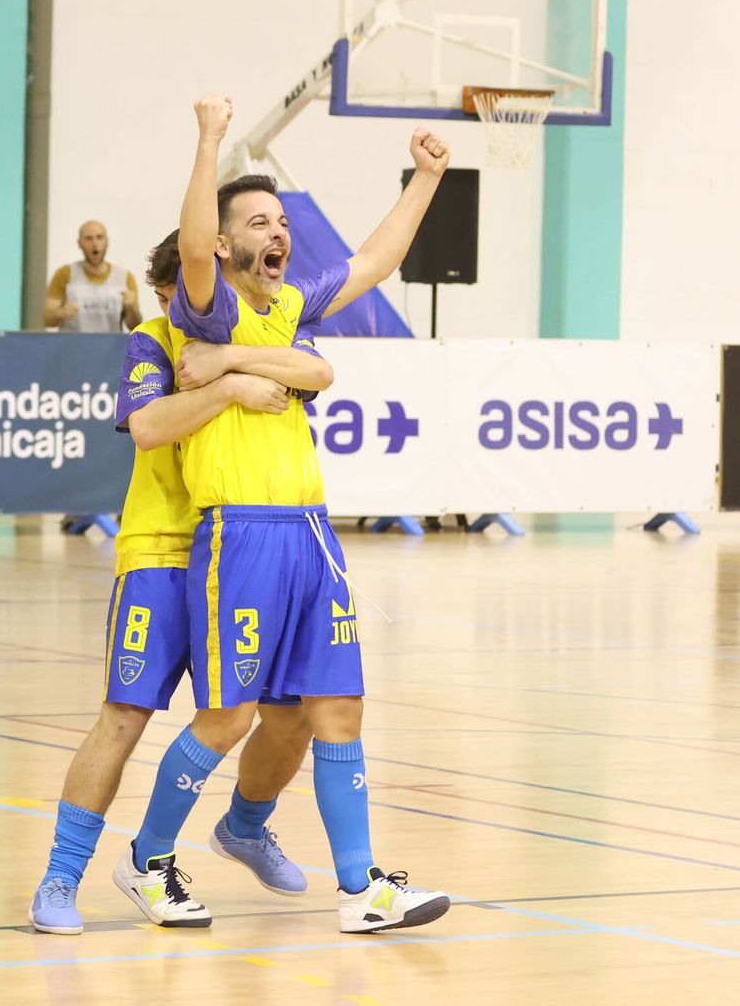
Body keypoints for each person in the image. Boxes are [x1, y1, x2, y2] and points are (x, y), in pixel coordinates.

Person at [114, 95, 453, 934]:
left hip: (311, 534)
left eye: (281, 220)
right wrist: (207, 139)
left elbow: (373, 260)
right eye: (258, 220)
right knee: (227, 713)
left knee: (335, 708)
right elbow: (194, 244)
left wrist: (427, 178)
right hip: (240, 535)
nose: (278, 231)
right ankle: (149, 859)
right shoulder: (205, 305)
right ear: (228, 244)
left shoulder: (285, 311)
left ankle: (362, 887)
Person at [31, 230, 336, 934]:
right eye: (172, 296)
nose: (179, 307)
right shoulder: (153, 339)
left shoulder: (265, 326)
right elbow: (147, 427)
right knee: (125, 715)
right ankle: (61, 876)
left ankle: (247, 826)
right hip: (163, 551)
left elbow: (327, 353)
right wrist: (227, 384)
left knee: (288, 714)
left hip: (241, 549)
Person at [43, 220, 143, 332]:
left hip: (111, 347)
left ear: (107, 241)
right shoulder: (65, 274)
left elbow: (136, 326)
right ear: (79, 243)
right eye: (88, 238)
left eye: (99, 237)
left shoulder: (124, 277)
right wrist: (60, 313)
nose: (95, 244)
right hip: (72, 346)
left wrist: (131, 308)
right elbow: (47, 319)